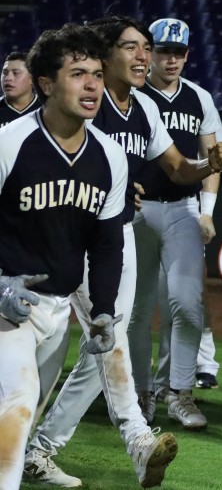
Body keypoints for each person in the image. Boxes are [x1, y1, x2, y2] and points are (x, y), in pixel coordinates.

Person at [24, 15, 222, 489]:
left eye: (146, 48)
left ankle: (91, 443)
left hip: (109, 241)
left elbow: (179, 168)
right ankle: (29, 445)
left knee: (105, 342)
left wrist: (208, 165)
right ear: (103, 55)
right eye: (132, 47)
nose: (144, 57)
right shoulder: (83, 104)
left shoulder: (143, 107)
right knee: (44, 355)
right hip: (56, 238)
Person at [0, 25, 154, 490]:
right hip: (8, 303)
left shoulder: (109, 157)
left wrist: (104, 310)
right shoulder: (9, 143)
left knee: (24, 418)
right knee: (19, 401)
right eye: (77, 74)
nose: (92, 85)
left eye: (96, 74)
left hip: (58, 306)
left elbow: (107, 244)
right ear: (46, 83)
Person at [126, 18, 222, 432]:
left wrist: (207, 210)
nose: (171, 59)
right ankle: (141, 391)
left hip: (183, 208)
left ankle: (179, 391)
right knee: (136, 310)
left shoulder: (198, 97)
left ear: (187, 55)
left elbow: (213, 157)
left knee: (187, 304)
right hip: (137, 210)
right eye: (163, 51)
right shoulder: (131, 96)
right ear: (150, 53)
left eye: (178, 53)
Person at [0, 50, 41, 127]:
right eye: (5, 73)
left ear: (31, 79)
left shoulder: (47, 109)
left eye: (16, 73)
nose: (8, 78)